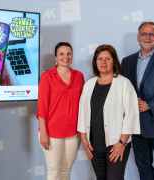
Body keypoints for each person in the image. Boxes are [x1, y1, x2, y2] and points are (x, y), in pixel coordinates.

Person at [77, 44, 140, 180]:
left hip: (116, 144)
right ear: (95, 62)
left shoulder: (124, 84)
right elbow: (82, 112)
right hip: (94, 144)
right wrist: (83, 138)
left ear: (114, 61)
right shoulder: (89, 84)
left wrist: (122, 143)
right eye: (100, 58)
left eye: (108, 58)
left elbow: (131, 114)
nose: (103, 62)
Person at [121, 22, 154, 180]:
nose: (147, 37)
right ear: (138, 37)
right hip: (136, 126)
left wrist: (148, 105)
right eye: (144, 34)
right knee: (144, 172)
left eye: (152, 34)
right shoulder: (127, 61)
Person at [36, 42, 84, 180]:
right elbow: (42, 108)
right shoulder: (47, 76)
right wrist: (43, 133)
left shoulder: (79, 76)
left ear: (72, 56)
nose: (65, 57)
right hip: (51, 132)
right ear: (55, 57)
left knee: (66, 171)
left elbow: (84, 104)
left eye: (69, 53)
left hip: (73, 132)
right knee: (54, 172)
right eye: (61, 54)